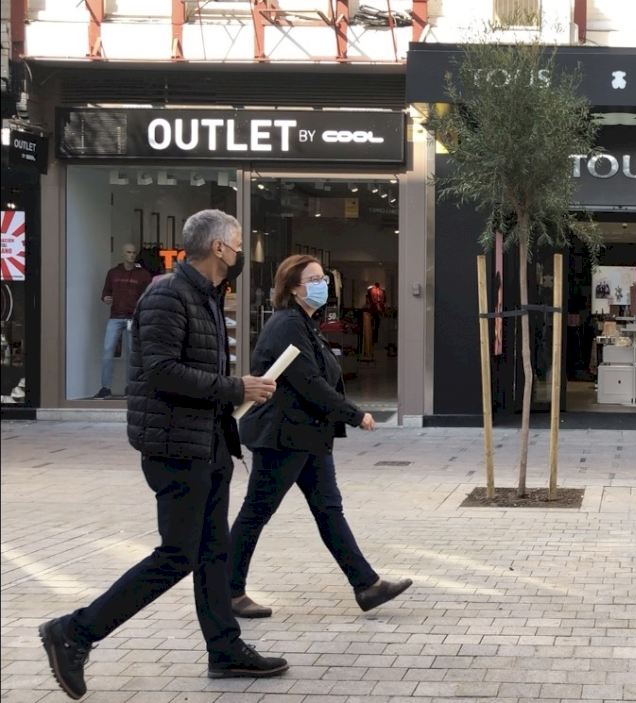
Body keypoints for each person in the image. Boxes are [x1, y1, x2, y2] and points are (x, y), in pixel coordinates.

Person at [39, 210, 288, 701]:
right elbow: (160, 370)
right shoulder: (166, 295)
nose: (241, 251)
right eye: (238, 243)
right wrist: (235, 387)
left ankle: (225, 650)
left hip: (208, 444)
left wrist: (233, 398)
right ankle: (74, 632)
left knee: (213, 553)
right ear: (218, 248)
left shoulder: (206, 295)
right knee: (178, 556)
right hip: (175, 448)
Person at [229, 255, 412, 619]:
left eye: (323, 278)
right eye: (313, 280)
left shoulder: (304, 323)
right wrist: (354, 414)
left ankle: (367, 585)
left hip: (306, 435)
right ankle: (227, 592)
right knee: (256, 512)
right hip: (282, 437)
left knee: (328, 509)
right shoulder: (287, 325)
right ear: (293, 288)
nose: (322, 285)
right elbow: (308, 382)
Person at [95, 243, 153, 398]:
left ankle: (130, 387)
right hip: (115, 316)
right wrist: (106, 298)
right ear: (123, 253)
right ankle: (105, 388)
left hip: (133, 318)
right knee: (107, 350)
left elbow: (149, 295)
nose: (131, 255)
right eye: (128, 252)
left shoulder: (143, 275)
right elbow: (106, 291)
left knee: (131, 353)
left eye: (133, 253)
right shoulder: (113, 273)